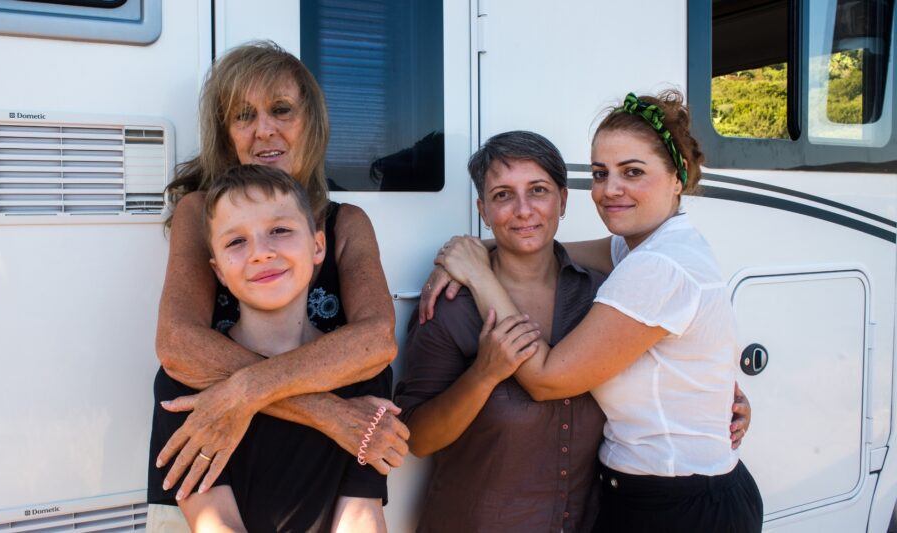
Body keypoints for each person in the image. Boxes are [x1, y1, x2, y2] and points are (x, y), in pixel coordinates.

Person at [428, 91, 763, 532]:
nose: (610, 190)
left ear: (677, 179)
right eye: (601, 174)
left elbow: (547, 379)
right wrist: (475, 250)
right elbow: (549, 247)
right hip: (650, 494)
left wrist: (480, 276)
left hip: (679, 507)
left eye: (633, 172)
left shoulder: (659, 266)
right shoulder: (642, 246)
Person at [146, 41, 407, 531]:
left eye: (281, 110)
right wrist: (330, 414)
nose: (264, 128)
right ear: (227, 134)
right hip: (216, 460)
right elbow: (178, 345)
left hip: (316, 474)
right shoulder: (199, 212)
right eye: (244, 115)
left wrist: (243, 389)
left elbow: (375, 340)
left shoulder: (346, 221)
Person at [395, 131, 607, 532]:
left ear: (562, 201)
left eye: (538, 191)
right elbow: (417, 439)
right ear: (484, 210)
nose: (523, 210)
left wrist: (722, 404)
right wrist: (483, 376)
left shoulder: (599, 295)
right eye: (503, 195)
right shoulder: (449, 305)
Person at [174, 164, 387, 531]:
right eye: (236, 241)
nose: (260, 252)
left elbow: (361, 515)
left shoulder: (363, 372)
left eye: (279, 230)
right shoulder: (187, 378)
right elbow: (214, 522)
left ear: (318, 245)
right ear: (219, 271)